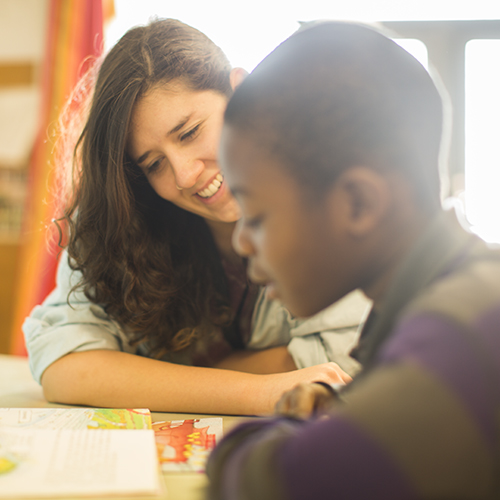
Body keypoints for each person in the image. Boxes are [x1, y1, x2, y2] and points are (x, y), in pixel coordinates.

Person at [206, 21, 500, 499]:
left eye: (256, 216)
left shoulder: (459, 331)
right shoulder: (442, 296)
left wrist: (272, 430)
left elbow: (267, 482)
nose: (241, 242)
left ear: (359, 204)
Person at [23, 18, 369, 415]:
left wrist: (152, 373)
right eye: (154, 164)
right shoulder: (118, 216)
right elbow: (66, 364)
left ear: (243, 94)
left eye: (189, 133)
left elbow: (343, 362)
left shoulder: (327, 194)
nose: (186, 175)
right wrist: (259, 390)